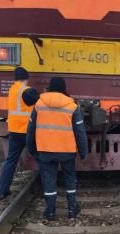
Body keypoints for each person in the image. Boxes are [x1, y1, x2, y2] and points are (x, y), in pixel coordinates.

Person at [26, 77, 88, 221]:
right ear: (64, 88)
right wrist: (83, 152)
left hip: (46, 150)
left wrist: (31, 148)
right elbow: (80, 131)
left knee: (49, 180)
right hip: (67, 151)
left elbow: (31, 129)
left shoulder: (39, 104)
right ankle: (72, 210)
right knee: (70, 179)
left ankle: (50, 212)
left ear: (50, 87)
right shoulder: (71, 106)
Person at [0, 67, 46, 200]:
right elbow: (43, 102)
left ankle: (2, 191)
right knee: (41, 160)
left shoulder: (13, 89)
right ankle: (46, 190)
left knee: (11, 160)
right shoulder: (27, 91)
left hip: (14, 131)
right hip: (27, 132)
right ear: (26, 78)